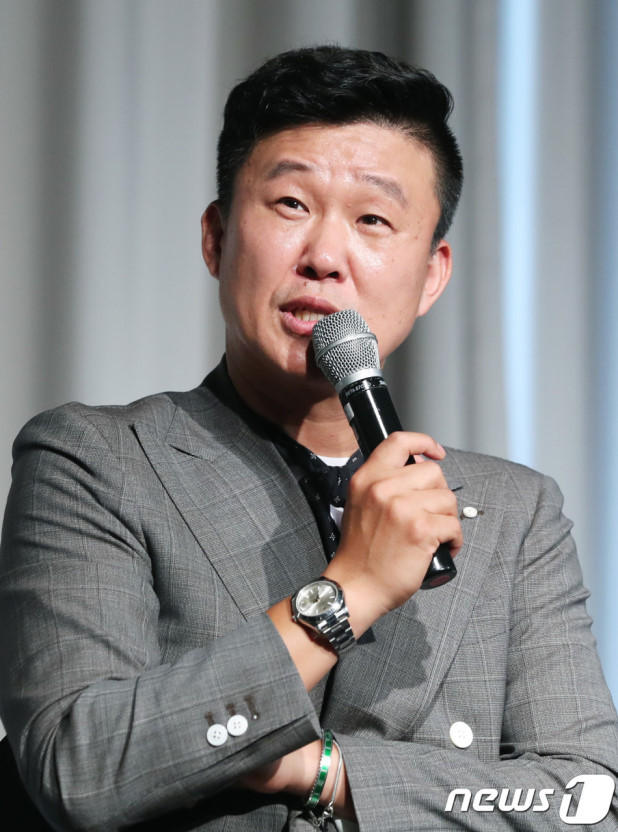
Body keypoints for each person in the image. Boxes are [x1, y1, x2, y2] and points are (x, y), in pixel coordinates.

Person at [0, 45, 616, 831]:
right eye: (291, 204)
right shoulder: (98, 460)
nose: (325, 257)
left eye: (372, 219)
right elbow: (78, 765)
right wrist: (351, 591)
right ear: (217, 238)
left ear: (432, 275)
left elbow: (587, 801)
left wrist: (327, 772)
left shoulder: (514, 511)